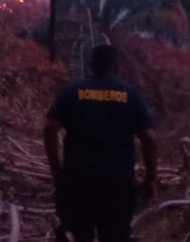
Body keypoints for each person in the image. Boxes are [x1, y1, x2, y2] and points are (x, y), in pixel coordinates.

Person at [43, 44, 158, 242]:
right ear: (117, 66)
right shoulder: (130, 95)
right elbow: (148, 138)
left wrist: (57, 170)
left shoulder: (71, 91)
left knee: (78, 235)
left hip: (77, 181)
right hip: (118, 184)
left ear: (91, 65)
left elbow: (50, 128)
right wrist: (150, 179)